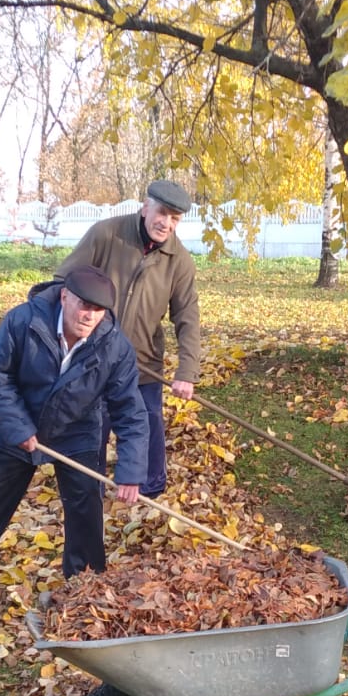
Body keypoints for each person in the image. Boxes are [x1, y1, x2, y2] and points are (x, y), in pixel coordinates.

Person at [0, 265, 148, 606]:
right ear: (65, 296)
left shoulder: (115, 348)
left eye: (97, 310)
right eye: (82, 305)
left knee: (85, 510)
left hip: (76, 432)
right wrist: (18, 428)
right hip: (14, 427)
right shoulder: (23, 322)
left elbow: (130, 412)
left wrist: (132, 472)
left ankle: (84, 585)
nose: (89, 315)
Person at [56, 178, 200, 497]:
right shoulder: (107, 234)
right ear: (145, 207)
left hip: (142, 360)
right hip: (92, 355)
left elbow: (187, 317)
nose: (166, 223)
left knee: (145, 422)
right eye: (162, 212)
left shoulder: (180, 262)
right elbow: (63, 282)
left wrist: (187, 373)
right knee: (93, 422)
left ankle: (149, 489)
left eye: (175, 218)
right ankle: (86, 485)